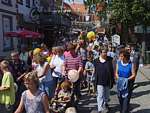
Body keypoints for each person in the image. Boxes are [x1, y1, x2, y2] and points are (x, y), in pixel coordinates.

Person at [94, 48, 115, 113]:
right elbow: (95, 70)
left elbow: (112, 70)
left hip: (108, 80)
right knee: (100, 95)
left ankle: (105, 104)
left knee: (106, 95)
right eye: (103, 52)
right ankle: (100, 109)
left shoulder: (110, 59)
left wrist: (113, 79)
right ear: (100, 53)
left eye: (106, 52)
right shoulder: (96, 61)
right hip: (99, 81)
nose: (105, 53)